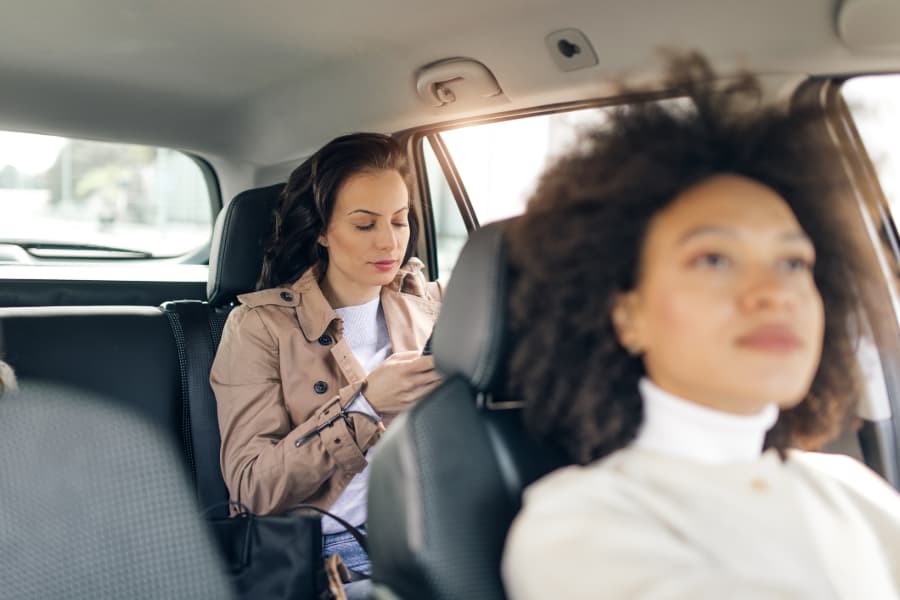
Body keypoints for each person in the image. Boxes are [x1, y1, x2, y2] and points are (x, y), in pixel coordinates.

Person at [501, 54, 900, 598]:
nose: (774, 293)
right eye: (714, 259)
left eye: (793, 263)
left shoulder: (853, 489)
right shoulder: (576, 526)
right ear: (626, 313)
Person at [210, 133, 442, 579]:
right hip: (335, 550)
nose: (389, 243)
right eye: (364, 224)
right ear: (321, 230)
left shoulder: (429, 303)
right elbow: (252, 487)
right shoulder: (260, 327)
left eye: (399, 220)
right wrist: (365, 404)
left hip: (432, 530)